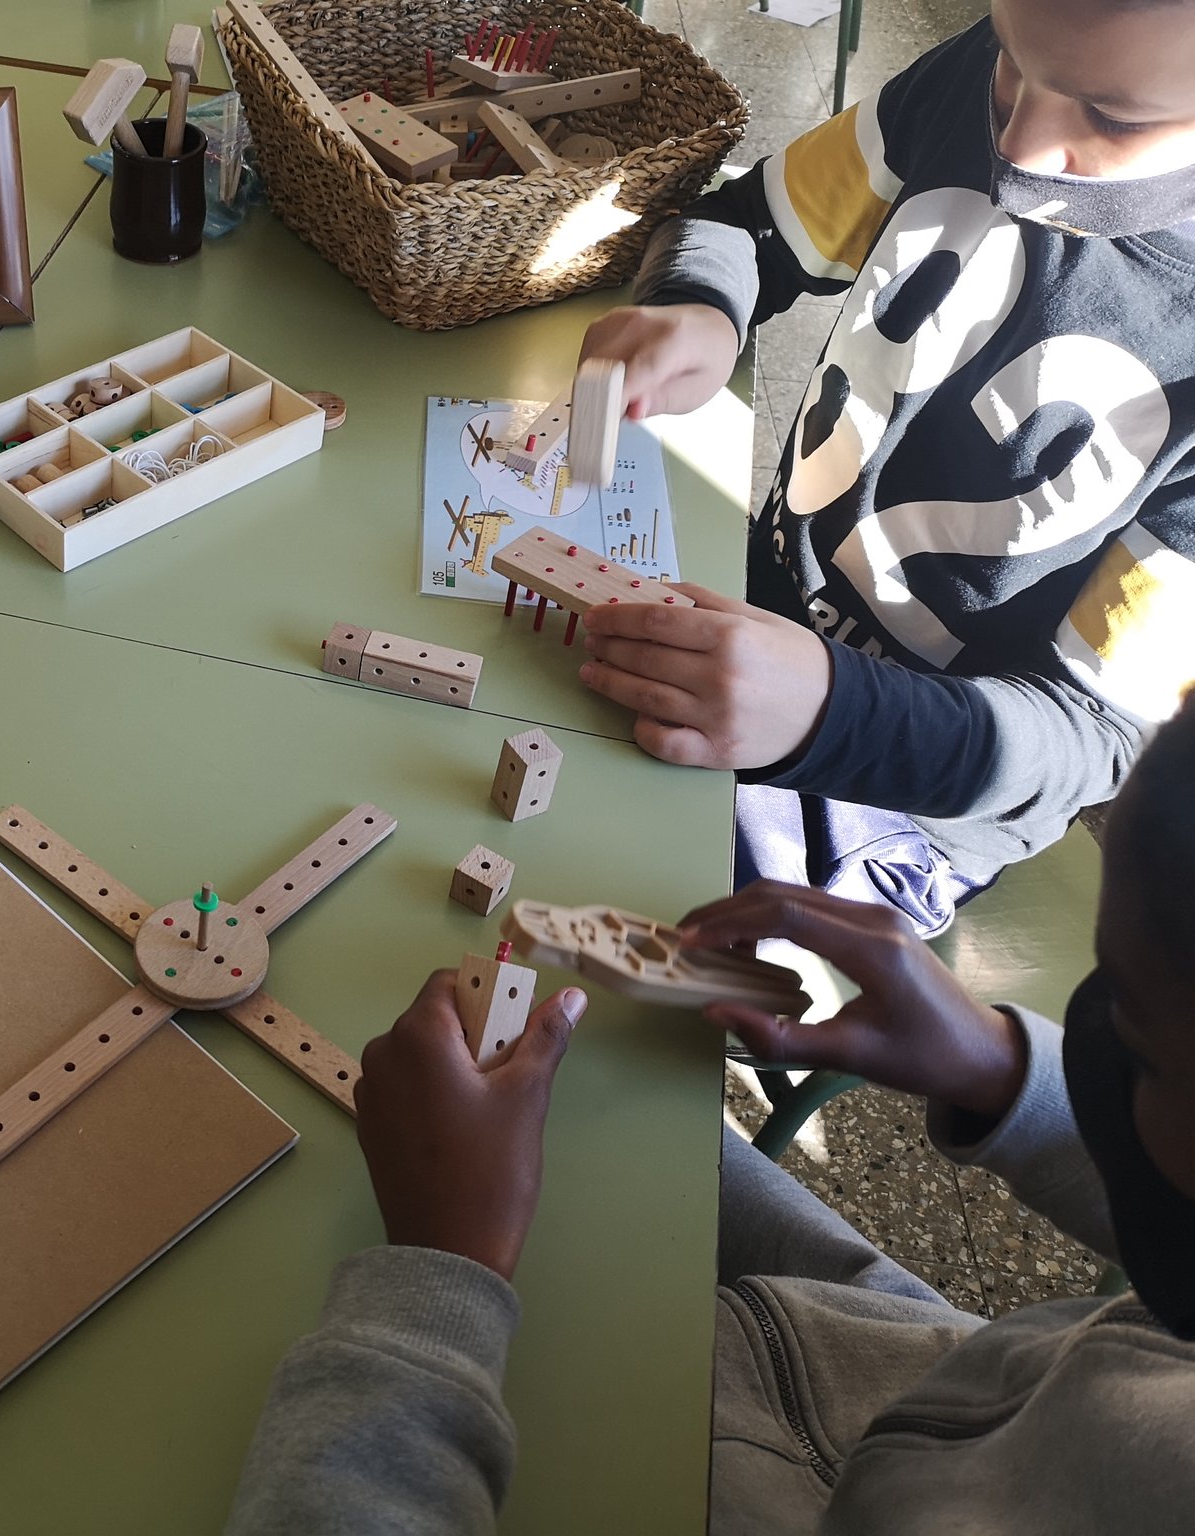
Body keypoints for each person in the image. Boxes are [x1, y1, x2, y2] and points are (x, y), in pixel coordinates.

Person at [223, 695, 1195, 1535]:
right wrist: (1003, 1070)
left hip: (738, 1482)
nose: (1097, 1052)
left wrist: (437, 1277)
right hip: (885, 1348)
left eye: (1136, 1051)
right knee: (577, 1114)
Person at [569, 0, 1195, 936]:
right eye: (1010, 58)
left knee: (615, 910)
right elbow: (748, 222)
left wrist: (829, 709)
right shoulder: (981, 76)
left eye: (1111, 116)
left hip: (902, 795)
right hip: (752, 610)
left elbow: (1090, 734)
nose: (1016, 143)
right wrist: (699, 308)